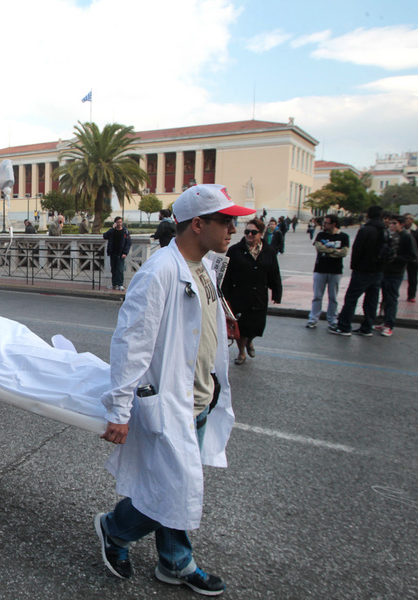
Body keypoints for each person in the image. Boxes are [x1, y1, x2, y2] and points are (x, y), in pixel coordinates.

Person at [95, 184, 254, 597]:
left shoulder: (203, 264)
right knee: (170, 488)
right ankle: (116, 529)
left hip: (200, 398)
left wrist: (223, 321)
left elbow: (198, 313)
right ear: (197, 224)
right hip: (171, 402)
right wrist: (119, 409)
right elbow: (132, 341)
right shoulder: (160, 270)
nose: (233, 228)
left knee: (176, 487)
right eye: (225, 220)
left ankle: (171, 560)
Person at [221, 218, 282, 365]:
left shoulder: (268, 251)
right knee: (240, 328)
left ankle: (250, 342)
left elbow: (274, 273)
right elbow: (227, 275)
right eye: (247, 231)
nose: (249, 235)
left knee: (257, 327)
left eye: (253, 232)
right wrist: (225, 296)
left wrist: (277, 292)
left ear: (261, 234)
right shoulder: (235, 250)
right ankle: (241, 352)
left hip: (259, 296)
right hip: (240, 296)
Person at [331, 205, 387, 337]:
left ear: (368, 215)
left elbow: (357, 250)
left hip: (363, 269)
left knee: (351, 298)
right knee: (372, 300)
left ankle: (344, 326)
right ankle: (367, 327)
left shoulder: (366, 230)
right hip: (378, 270)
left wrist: (354, 266)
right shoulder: (385, 230)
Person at [376, 215, 418, 337]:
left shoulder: (406, 237)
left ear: (401, 224)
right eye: (390, 224)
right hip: (386, 270)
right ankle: (385, 321)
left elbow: (412, 256)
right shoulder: (390, 235)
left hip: (395, 272)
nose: (392, 226)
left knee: (391, 298)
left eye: (394, 224)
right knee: (385, 297)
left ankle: (389, 324)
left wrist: (395, 259)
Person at [306, 214, 349, 329]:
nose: (323, 225)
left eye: (326, 223)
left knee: (333, 297)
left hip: (335, 271)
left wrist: (328, 252)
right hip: (320, 269)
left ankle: (332, 319)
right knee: (317, 296)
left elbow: (344, 252)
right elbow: (319, 248)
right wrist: (335, 251)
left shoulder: (343, 236)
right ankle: (313, 318)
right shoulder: (321, 235)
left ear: (334, 224)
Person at [103, 216, 131, 291]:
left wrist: (125, 252)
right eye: (118, 222)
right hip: (113, 253)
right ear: (115, 223)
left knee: (120, 269)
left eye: (120, 222)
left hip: (121, 253)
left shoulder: (125, 231)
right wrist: (112, 229)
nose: (119, 224)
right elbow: (105, 236)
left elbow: (128, 243)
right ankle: (114, 284)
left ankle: (120, 284)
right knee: (113, 269)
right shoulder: (112, 231)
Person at [403, 213, 418, 303]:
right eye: (405, 218)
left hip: (413, 258)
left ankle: (411, 295)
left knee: (412, 277)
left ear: (412, 220)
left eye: (408, 219)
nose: (406, 220)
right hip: (402, 257)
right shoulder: (401, 230)